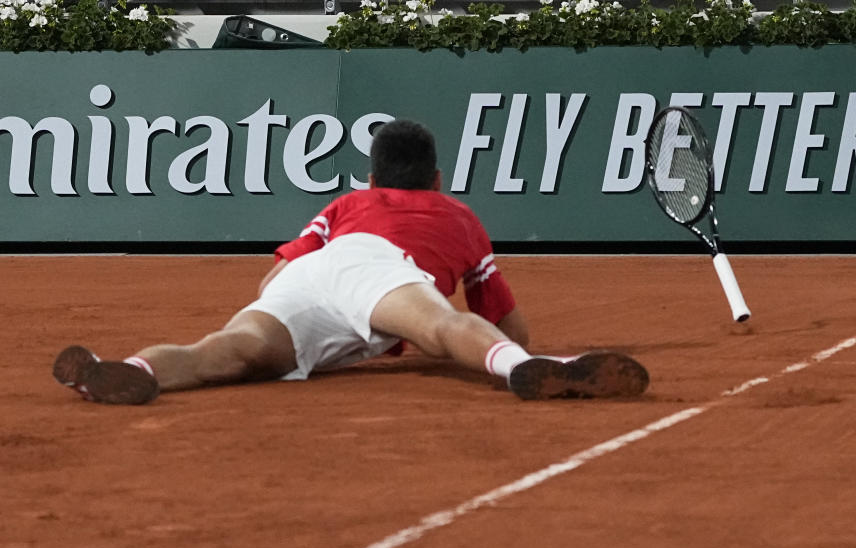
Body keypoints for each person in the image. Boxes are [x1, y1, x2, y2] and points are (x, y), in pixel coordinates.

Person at [53, 119, 649, 405]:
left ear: (370, 177)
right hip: (376, 271)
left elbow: (275, 277)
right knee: (443, 329)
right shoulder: (462, 219)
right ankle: (532, 369)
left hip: (310, 279)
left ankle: (128, 369)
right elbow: (501, 320)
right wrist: (515, 346)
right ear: (438, 179)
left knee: (224, 351)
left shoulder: (347, 202)